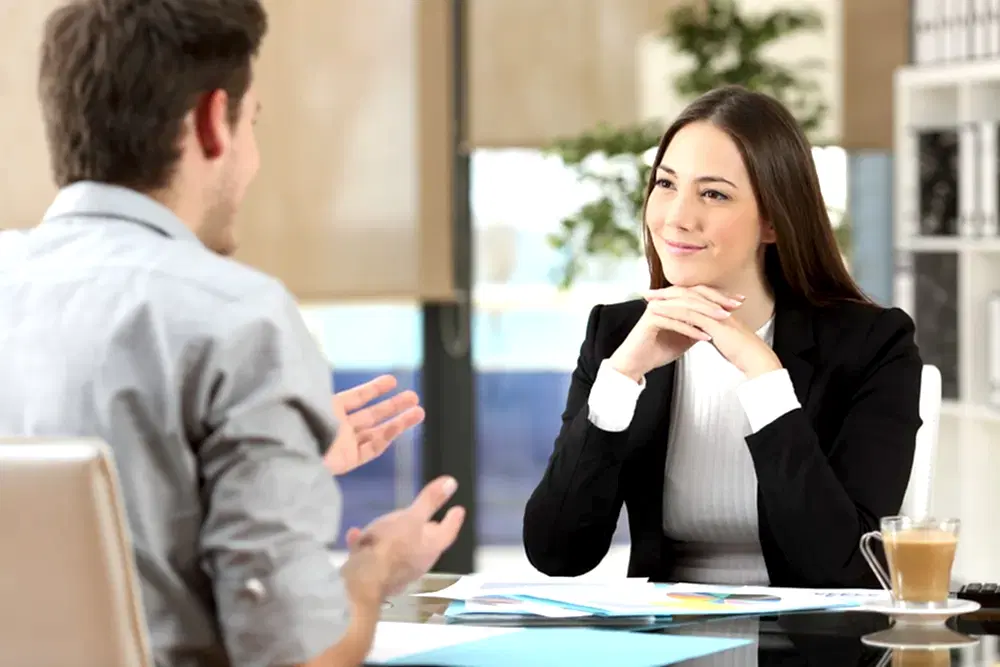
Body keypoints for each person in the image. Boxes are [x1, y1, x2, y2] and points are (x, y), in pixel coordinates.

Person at [0, 1, 464, 666]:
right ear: (214, 122)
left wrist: (271, 454)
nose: (253, 157)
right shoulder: (237, 317)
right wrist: (376, 568)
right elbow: (300, 657)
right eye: (253, 124)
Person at [522, 85, 923, 589]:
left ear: (774, 221)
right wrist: (621, 378)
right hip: (666, 641)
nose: (676, 217)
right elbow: (558, 553)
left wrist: (766, 379)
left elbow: (846, 571)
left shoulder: (873, 344)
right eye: (666, 184)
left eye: (713, 193)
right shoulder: (618, 335)